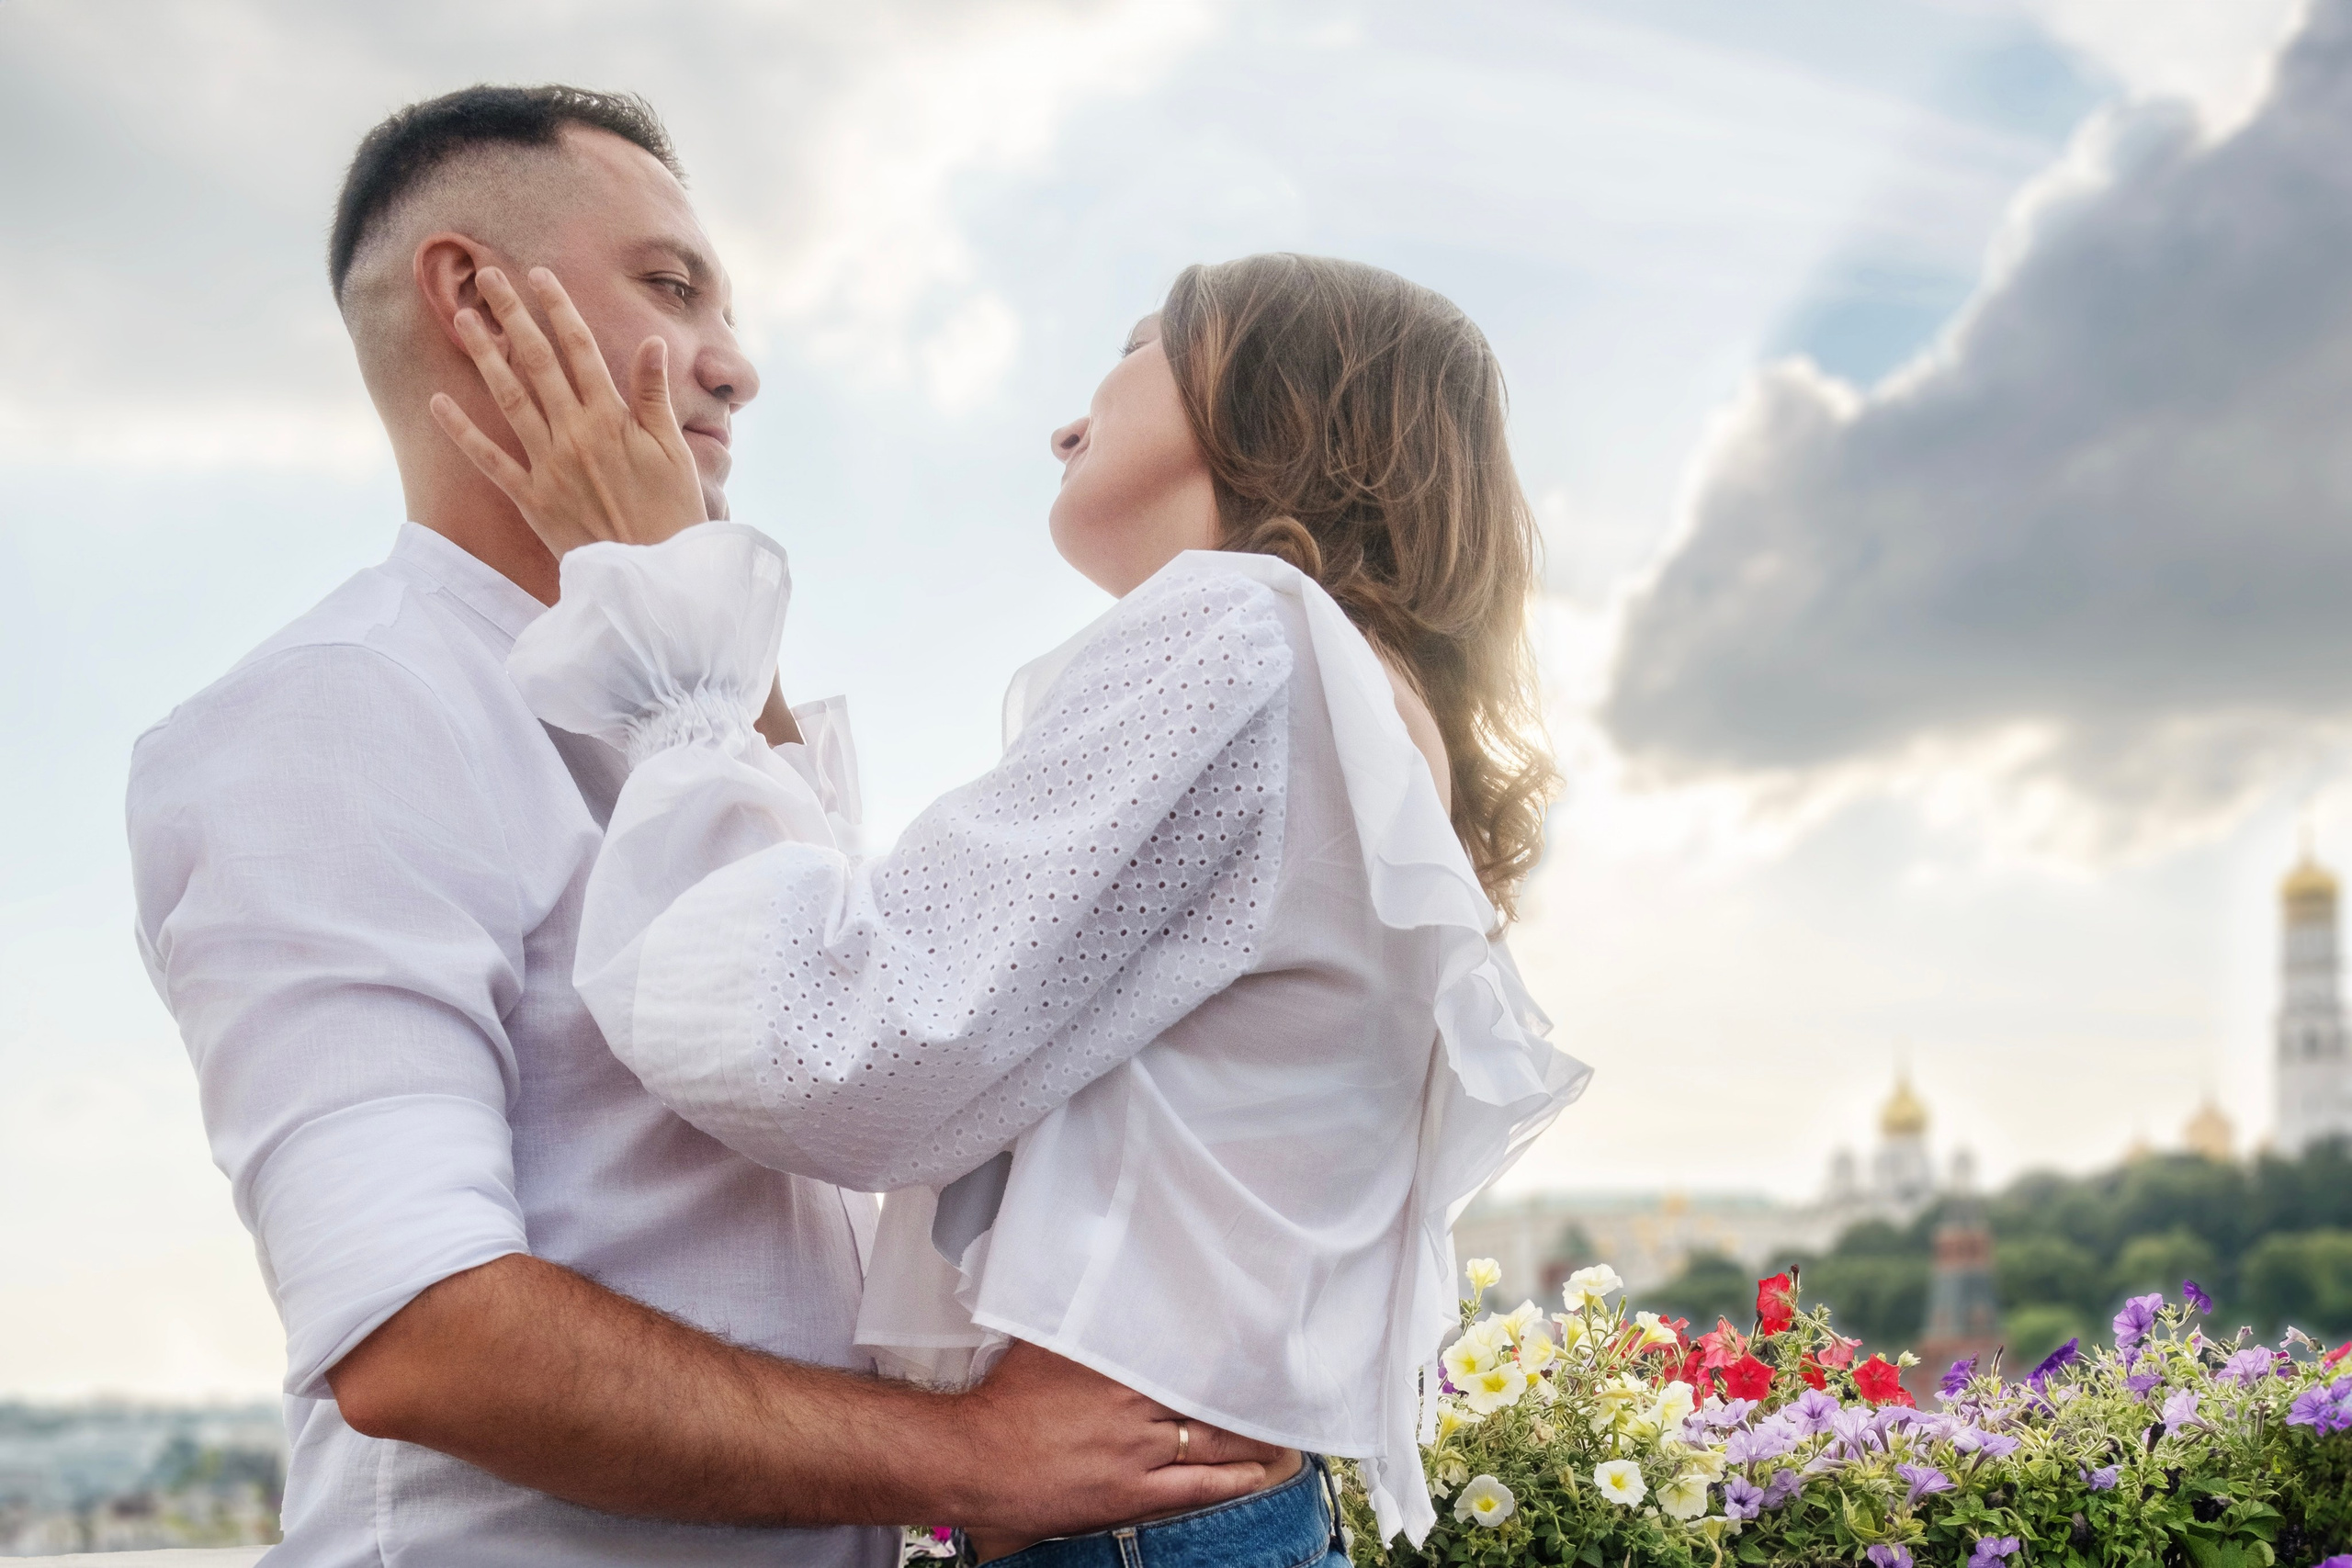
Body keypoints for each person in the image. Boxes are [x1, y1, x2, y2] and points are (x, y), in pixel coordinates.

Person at [126, 85, 1280, 1568]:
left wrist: (696, 605)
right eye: (671, 288)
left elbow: (854, 1056)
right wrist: (975, 1462)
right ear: (474, 299)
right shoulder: (336, 713)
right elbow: (421, 1333)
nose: (736, 368)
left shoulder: (687, 707)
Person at [432, 249, 1593, 1562]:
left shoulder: (1242, 634)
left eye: (1143, 344)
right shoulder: (1352, 699)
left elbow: (849, 1045)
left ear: (1268, 399)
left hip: (1131, 1533)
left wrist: (668, 646)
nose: (1069, 416)